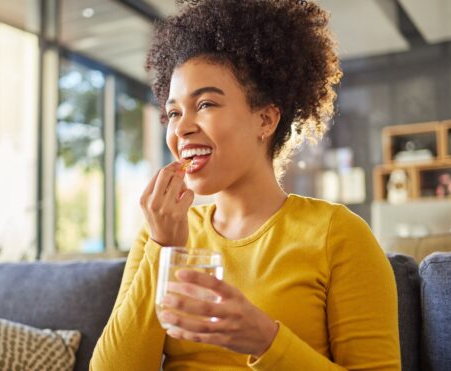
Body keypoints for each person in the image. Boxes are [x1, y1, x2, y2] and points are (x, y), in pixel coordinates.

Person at [90, 0, 401, 369]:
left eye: (205, 104)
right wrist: (163, 249)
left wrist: (265, 339)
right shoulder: (162, 233)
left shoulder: (338, 235)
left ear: (265, 119)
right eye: (173, 112)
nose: (181, 127)